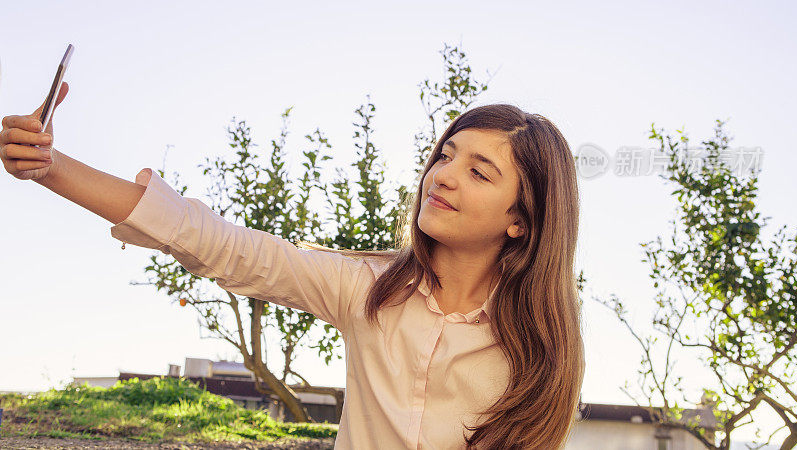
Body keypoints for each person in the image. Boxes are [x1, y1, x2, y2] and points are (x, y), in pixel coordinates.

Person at [1, 81, 585, 449]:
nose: (444, 175)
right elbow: (216, 243)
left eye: (480, 172)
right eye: (445, 154)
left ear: (522, 220)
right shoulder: (369, 291)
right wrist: (49, 166)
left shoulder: (538, 347)